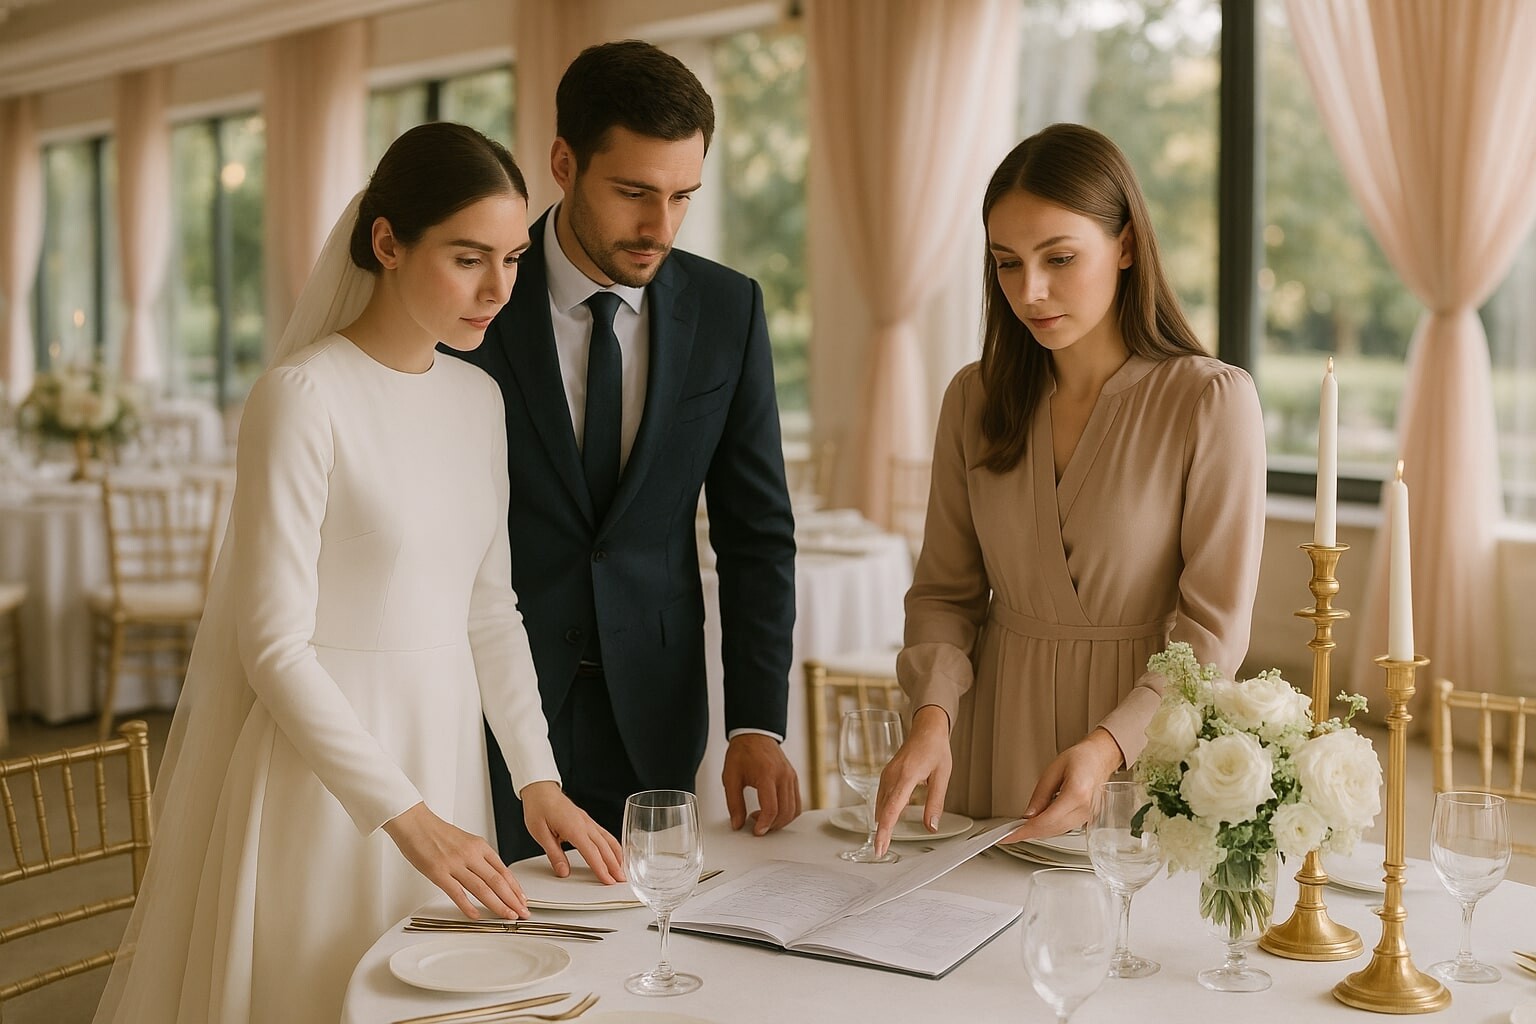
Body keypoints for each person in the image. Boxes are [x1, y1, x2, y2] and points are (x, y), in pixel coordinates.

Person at [94, 122, 622, 1024]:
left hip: (444, 755)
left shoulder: (479, 398)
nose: (498, 289)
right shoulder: (303, 396)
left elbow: (490, 611)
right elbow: (272, 648)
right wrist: (404, 817)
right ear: (387, 242)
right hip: (327, 782)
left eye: (511, 259)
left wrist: (537, 779)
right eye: (467, 258)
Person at [873, 123, 1266, 855]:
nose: (1030, 291)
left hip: (1139, 746)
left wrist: (1109, 747)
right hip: (993, 737)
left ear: (1126, 246)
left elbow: (1212, 633)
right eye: (1007, 263)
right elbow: (945, 596)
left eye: (1059, 258)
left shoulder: (1208, 401)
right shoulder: (974, 399)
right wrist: (932, 716)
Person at [450, 39, 801, 859]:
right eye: (634, 193)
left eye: (682, 197)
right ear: (563, 164)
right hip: (488, 707)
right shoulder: (473, 303)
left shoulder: (729, 311)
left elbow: (756, 534)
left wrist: (756, 722)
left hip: (656, 714)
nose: (659, 227)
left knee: (650, 925)